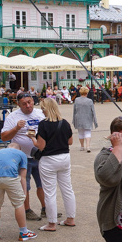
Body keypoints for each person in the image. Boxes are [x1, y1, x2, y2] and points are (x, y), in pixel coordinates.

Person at [0, 92, 47, 221]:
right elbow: (4, 137)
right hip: (22, 157)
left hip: (40, 155)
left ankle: (45, 208)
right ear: (18, 104)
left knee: (43, 184)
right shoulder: (12, 117)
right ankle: (27, 210)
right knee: (24, 185)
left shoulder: (40, 113)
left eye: (30, 102)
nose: (28, 106)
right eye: (24, 103)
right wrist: (16, 128)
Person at [33, 99, 76, 231]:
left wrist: (32, 139)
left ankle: (52, 223)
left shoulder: (43, 124)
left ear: (46, 109)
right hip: (64, 157)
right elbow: (70, 141)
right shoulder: (64, 123)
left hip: (49, 160)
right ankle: (70, 218)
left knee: (50, 192)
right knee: (67, 189)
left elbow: (41, 146)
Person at [0, 142, 36, 241]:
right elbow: (23, 177)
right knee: (18, 204)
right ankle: (23, 232)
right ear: (19, 149)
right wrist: (24, 193)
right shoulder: (21, 154)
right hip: (10, 177)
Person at [72, 86, 98, 152]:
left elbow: (74, 111)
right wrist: (95, 122)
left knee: (80, 133)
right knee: (88, 132)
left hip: (79, 118)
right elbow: (93, 111)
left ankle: (82, 146)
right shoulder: (90, 101)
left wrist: (74, 120)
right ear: (87, 93)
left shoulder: (77, 100)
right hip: (88, 118)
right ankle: (88, 146)